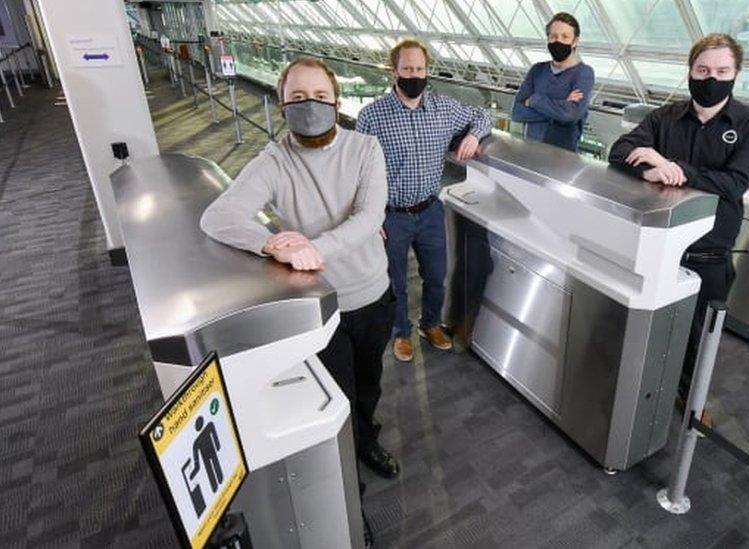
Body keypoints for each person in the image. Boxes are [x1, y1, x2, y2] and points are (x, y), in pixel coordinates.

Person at [199, 57, 397, 545]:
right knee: (337, 406)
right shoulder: (274, 160)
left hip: (373, 294)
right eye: (298, 99)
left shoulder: (364, 147)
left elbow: (371, 214)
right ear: (282, 102)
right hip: (320, 308)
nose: (310, 107)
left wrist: (312, 248)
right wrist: (271, 242)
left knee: (368, 387)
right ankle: (352, 496)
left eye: (320, 97)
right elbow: (219, 216)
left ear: (337, 100)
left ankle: (368, 442)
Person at [608, 34, 749, 421]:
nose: (710, 78)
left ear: (735, 75)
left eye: (721, 71)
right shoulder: (664, 117)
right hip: (657, 243)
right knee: (651, 318)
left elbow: (734, 184)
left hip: (709, 249)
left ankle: (692, 397)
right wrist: (647, 165)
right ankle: (643, 384)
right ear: (690, 71)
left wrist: (673, 167)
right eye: (702, 70)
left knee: (700, 333)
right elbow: (619, 152)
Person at [356, 39, 492, 363]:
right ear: (394, 72)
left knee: (436, 275)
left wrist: (473, 135)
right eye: (407, 69)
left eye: (419, 69)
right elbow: (356, 173)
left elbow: (482, 114)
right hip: (391, 215)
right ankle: (400, 332)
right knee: (396, 281)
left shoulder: (444, 109)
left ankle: (429, 324)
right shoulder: (372, 116)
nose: (414, 75)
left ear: (427, 70)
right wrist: (369, 218)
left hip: (431, 209)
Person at [511, 12, 594, 152]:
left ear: (575, 41)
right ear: (548, 38)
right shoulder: (537, 70)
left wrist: (534, 101)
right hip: (530, 152)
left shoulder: (584, 73)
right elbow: (516, 112)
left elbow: (570, 116)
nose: (558, 41)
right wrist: (561, 106)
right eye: (553, 36)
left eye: (565, 37)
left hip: (562, 159)